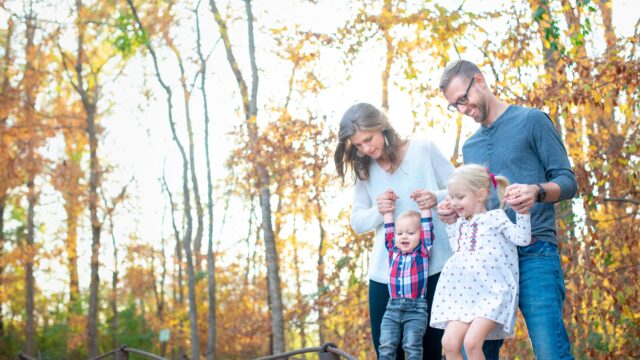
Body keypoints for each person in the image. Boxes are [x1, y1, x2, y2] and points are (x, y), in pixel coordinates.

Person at [437, 59, 577, 359]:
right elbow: (480, 207)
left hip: (534, 253)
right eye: (454, 106)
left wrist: (536, 191)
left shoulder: (532, 121)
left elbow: (567, 181)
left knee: (550, 350)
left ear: (480, 81)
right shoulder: (470, 147)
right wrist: (457, 212)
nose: (462, 109)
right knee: (467, 347)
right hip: (485, 264)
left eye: (463, 99)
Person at [334, 102, 455, 359]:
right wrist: (379, 211)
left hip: (434, 272)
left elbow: (461, 190)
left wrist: (436, 197)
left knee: (429, 352)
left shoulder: (424, 149)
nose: (366, 149)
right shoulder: (364, 169)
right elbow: (357, 222)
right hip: (386, 277)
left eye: (368, 139)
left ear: (382, 127)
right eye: (357, 145)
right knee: (388, 352)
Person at [430, 164, 531, 360]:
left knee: (471, 343)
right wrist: (450, 225)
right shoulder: (460, 223)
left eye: (460, 197)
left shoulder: (495, 217)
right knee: (449, 344)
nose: (454, 202)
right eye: (451, 197)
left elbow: (522, 239)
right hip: (462, 295)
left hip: (491, 293)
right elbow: (458, 250)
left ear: (481, 195)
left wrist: (523, 213)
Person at [378, 189, 434, 360]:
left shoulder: (423, 251)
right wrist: (388, 210)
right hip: (392, 307)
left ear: (420, 236)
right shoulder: (392, 250)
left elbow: (427, 226)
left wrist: (424, 207)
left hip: (416, 309)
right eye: (400, 233)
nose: (404, 237)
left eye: (410, 233)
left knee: (412, 347)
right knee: (386, 345)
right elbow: (389, 229)